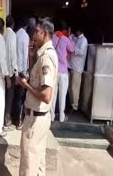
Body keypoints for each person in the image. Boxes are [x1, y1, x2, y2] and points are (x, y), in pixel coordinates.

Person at [18, 18, 58, 176]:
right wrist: (32, 56)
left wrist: (25, 85)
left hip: (36, 119)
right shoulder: (42, 56)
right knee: (38, 161)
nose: (34, 35)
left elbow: (46, 96)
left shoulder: (46, 58)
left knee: (29, 162)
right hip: (39, 117)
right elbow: (37, 78)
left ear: (45, 33)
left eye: (37, 31)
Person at [51, 21, 75, 122]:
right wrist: (69, 36)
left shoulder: (52, 38)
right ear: (65, 30)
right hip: (63, 71)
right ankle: (61, 117)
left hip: (54, 70)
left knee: (53, 94)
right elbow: (72, 49)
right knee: (62, 95)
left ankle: (51, 116)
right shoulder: (65, 39)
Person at [14, 17, 29, 129]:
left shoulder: (15, 34)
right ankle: (19, 122)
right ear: (26, 26)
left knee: (15, 97)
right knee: (21, 98)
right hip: (22, 71)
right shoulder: (25, 36)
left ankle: (15, 119)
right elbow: (25, 56)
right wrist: (25, 72)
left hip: (15, 70)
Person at [68, 27, 88, 112]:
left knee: (74, 88)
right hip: (71, 66)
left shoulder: (83, 40)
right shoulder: (76, 38)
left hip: (77, 68)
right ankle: (71, 104)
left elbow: (81, 52)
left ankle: (75, 106)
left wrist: (73, 47)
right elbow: (71, 38)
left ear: (80, 30)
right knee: (70, 88)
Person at [4, 15, 18, 131]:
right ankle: (7, 121)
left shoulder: (3, 35)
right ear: (13, 24)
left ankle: (4, 119)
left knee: (5, 96)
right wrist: (16, 72)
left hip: (4, 72)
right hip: (10, 72)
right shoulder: (13, 35)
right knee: (10, 96)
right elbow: (13, 55)